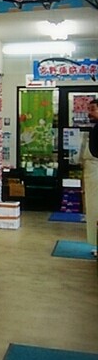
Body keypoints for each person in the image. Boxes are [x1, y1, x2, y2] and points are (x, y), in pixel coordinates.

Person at [80, 98, 98, 255]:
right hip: (92, 170)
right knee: (93, 209)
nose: (89, 113)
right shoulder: (95, 128)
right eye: (89, 109)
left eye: (93, 109)